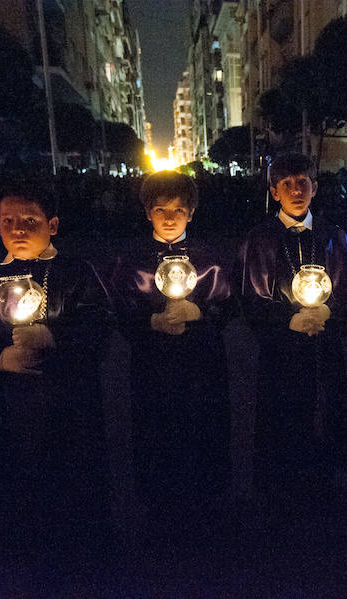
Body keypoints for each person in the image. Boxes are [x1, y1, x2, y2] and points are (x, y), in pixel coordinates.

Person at [0, 183, 112, 569]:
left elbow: (101, 325)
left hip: (69, 401)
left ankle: (81, 553)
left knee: (73, 476)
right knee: (15, 476)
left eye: (30, 220)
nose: (18, 229)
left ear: (52, 224)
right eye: (8, 220)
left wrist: (55, 334)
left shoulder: (75, 272)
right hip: (8, 406)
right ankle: (20, 553)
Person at [109, 170, 233, 539]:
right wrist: (150, 321)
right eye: (160, 209)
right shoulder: (132, 260)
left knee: (203, 422)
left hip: (202, 361)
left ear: (191, 213)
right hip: (153, 363)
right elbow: (118, 308)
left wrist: (202, 312)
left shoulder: (208, 256)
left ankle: (206, 499)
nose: (169, 217)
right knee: (155, 425)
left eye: (178, 210)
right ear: (147, 212)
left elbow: (229, 305)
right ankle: (158, 503)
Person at [236, 153, 347, 501]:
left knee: (326, 409)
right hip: (282, 351)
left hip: (324, 345)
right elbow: (250, 296)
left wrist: (330, 313)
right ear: (274, 191)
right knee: (283, 418)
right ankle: (282, 488)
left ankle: (326, 482)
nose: (296, 190)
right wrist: (287, 319)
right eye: (287, 184)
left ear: (315, 188)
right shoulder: (259, 238)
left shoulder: (333, 235)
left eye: (302, 183)